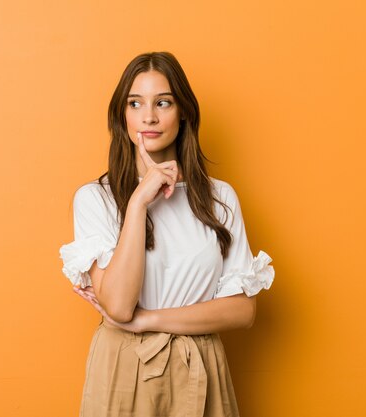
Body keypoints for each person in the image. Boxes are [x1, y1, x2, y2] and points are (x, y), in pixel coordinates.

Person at [59, 51, 275, 417]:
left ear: (184, 111)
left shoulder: (219, 197)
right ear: (121, 115)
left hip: (201, 363)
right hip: (124, 364)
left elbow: (242, 310)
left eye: (163, 102)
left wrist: (149, 320)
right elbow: (119, 306)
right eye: (135, 103)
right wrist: (139, 202)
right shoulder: (95, 198)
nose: (149, 117)